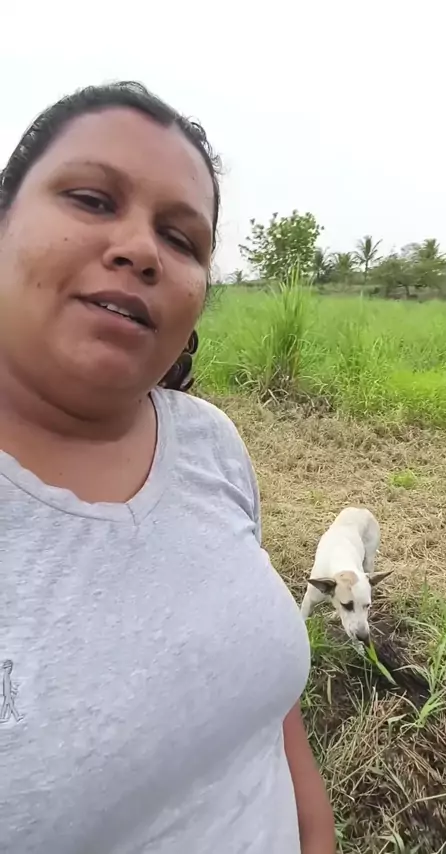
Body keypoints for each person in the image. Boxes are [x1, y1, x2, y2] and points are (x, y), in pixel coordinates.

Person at [0, 81, 335, 853]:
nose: (142, 250)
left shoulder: (209, 444)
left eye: (182, 240)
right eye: (92, 199)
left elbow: (267, 709)